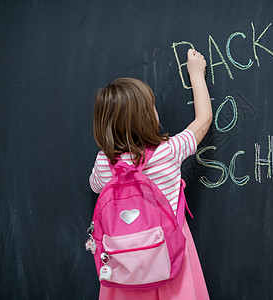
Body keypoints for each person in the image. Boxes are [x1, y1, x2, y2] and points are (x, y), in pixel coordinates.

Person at [89, 48, 212, 300]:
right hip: (170, 258)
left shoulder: (104, 162)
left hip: (124, 269)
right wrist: (196, 74)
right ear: (146, 118)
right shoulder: (167, 151)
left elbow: (95, 187)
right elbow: (203, 119)